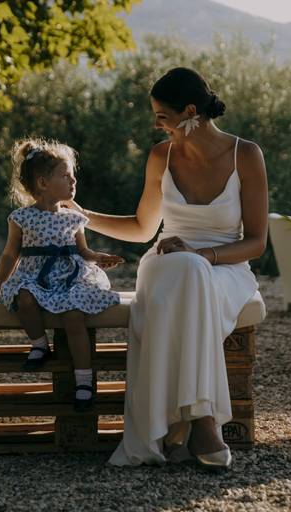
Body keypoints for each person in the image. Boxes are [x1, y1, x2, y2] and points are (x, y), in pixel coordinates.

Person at [64, 67, 268, 468]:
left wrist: (201, 254)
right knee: (182, 269)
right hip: (166, 262)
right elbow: (143, 229)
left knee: (190, 270)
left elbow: (256, 243)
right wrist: (82, 214)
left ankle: (194, 422)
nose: (156, 124)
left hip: (225, 267)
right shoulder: (161, 156)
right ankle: (201, 422)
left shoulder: (246, 154)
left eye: (161, 115)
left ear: (190, 110)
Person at [0, 138, 125, 412]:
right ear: (42, 183)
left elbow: (83, 251)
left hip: (69, 277)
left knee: (74, 317)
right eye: (65, 176)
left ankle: (84, 382)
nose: (73, 181)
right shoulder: (21, 218)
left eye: (74, 176)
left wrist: (99, 258)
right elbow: (9, 255)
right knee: (23, 297)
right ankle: (39, 344)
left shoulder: (74, 218)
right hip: (35, 277)